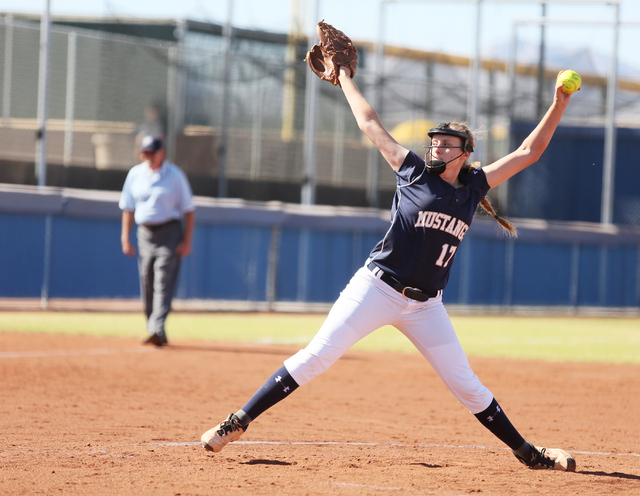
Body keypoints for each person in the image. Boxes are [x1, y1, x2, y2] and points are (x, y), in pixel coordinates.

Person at [200, 66, 578, 471]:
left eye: (447, 144)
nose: (437, 149)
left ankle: (528, 453)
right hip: (377, 289)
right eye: (434, 143)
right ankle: (237, 422)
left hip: (426, 306)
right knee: (317, 357)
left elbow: (528, 153)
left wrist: (559, 102)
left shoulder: (473, 188)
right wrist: (342, 77)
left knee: (466, 385)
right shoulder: (412, 171)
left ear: (465, 152)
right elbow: (368, 122)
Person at [119, 135, 195, 347]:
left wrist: (187, 239)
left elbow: (188, 210)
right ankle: (153, 326)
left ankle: (157, 328)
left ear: (162, 153)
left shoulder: (175, 175)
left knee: (163, 279)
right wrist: (125, 237)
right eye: (144, 152)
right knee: (147, 279)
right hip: (144, 233)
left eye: (151, 152)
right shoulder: (135, 174)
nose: (147, 156)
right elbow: (128, 207)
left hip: (169, 232)